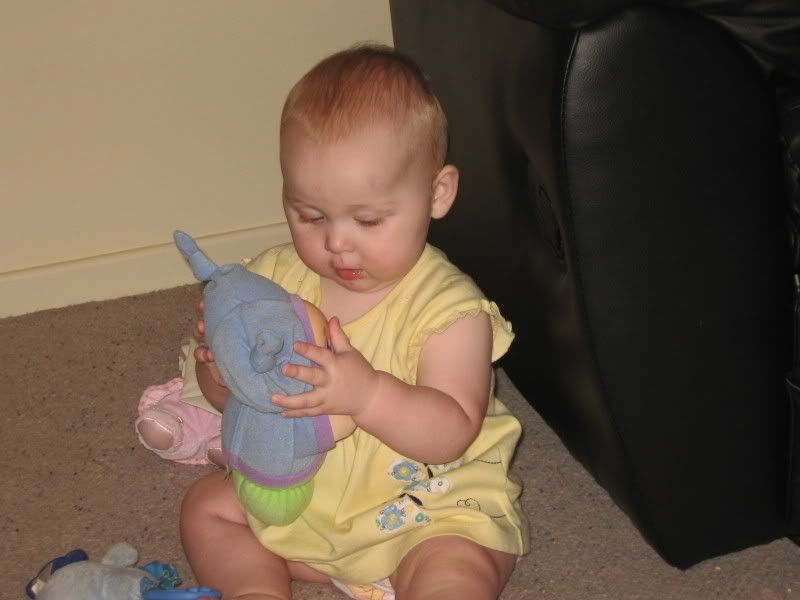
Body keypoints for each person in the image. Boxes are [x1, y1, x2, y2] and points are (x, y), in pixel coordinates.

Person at [179, 43, 529, 600]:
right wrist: (222, 374)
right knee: (206, 508)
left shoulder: (451, 311)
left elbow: (452, 432)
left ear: (437, 193)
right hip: (301, 498)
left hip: (422, 510)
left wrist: (367, 396)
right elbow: (239, 407)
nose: (337, 242)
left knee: (457, 567)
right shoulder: (270, 282)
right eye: (310, 215)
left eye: (368, 220)